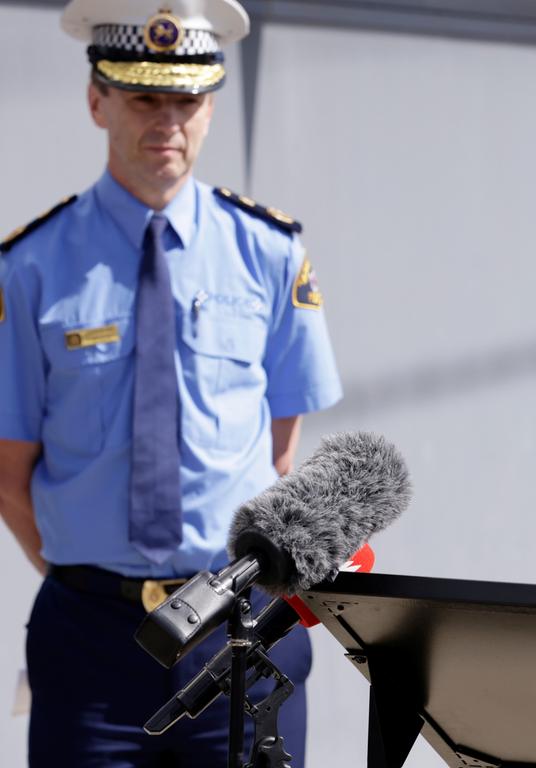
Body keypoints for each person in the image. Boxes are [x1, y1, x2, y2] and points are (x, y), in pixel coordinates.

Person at [0, 1, 342, 765]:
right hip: (91, 639)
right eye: (144, 97)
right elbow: (8, 471)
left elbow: (280, 458)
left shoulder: (270, 254)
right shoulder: (28, 267)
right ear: (97, 100)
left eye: (186, 100)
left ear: (211, 108)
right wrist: (90, 577)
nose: (167, 121)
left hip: (239, 626)